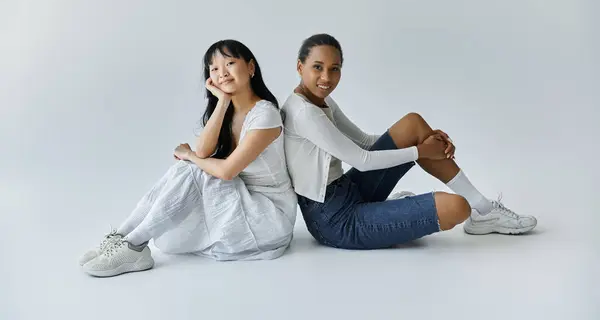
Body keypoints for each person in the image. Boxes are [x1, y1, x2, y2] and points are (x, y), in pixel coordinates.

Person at [281, 33, 537, 250]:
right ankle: (412, 210)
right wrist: (421, 151)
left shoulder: (319, 101)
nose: (326, 77)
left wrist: (425, 139)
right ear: (299, 66)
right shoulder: (305, 113)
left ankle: (484, 211)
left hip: (349, 190)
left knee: (413, 123)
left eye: (334, 69)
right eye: (317, 67)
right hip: (335, 221)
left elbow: (365, 142)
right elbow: (363, 160)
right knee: (458, 208)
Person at [79, 40, 297, 276]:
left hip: (269, 216)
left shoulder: (265, 115)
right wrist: (222, 103)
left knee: (192, 168)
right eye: (214, 68)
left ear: (251, 67)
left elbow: (225, 171)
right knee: (187, 168)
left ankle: (134, 246)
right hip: (244, 199)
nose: (222, 73)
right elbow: (204, 152)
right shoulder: (228, 110)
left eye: (230, 63)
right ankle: (122, 238)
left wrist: (190, 156)